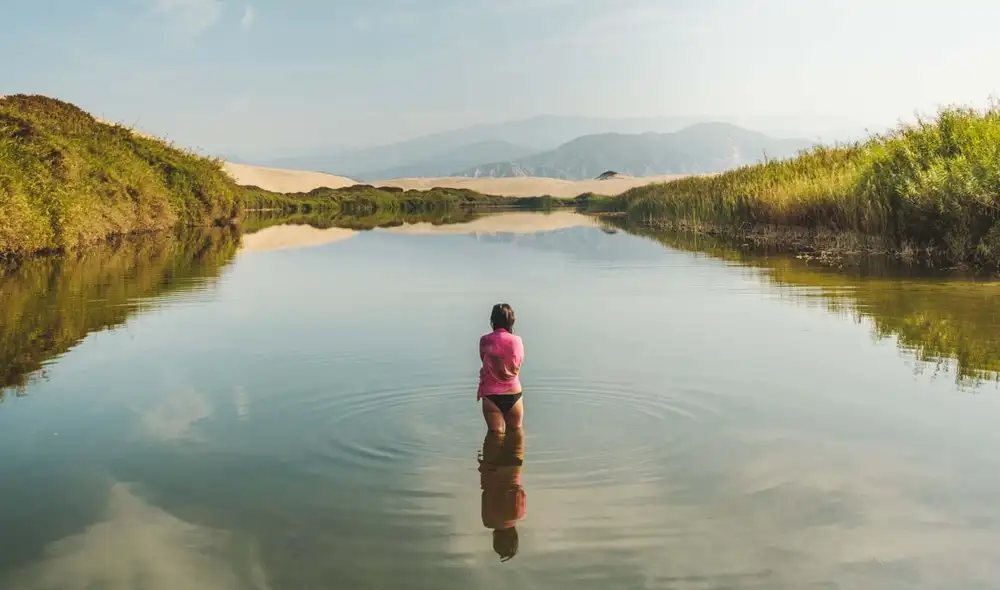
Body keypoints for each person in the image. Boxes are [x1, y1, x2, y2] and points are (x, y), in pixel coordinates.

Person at [478, 429, 526, 562]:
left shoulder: (518, 515)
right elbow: (485, 495)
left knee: (515, 429)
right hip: (490, 468)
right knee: (495, 434)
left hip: (513, 466)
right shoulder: (487, 520)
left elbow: (520, 492)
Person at [477, 303, 524, 433]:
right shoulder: (517, 341)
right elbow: (518, 363)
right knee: (516, 435)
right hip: (513, 392)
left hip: (491, 394)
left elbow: (483, 358)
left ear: (493, 321)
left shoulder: (485, 340)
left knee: (494, 437)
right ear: (511, 321)